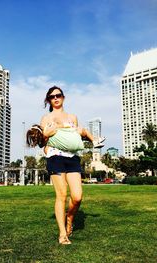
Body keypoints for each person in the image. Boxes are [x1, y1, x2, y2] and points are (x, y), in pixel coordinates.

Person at [38, 85, 104, 245]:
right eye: (52, 96)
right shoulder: (46, 119)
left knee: (77, 196)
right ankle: (62, 234)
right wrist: (45, 135)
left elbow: (75, 138)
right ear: (49, 100)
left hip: (72, 158)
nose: (56, 98)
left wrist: (90, 138)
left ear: (63, 97)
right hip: (55, 157)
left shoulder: (72, 117)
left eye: (58, 95)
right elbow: (41, 142)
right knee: (61, 195)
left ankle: (70, 218)